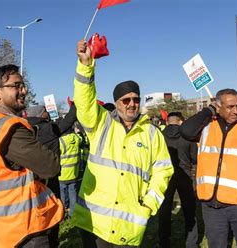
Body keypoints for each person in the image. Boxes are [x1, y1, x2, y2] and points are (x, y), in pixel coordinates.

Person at [73, 40, 174, 247]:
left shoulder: (152, 133)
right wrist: (85, 66)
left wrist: (148, 204)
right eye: (125, 100)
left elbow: (163, 171)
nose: (132, 104)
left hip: (129, 224)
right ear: (117, 103)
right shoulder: (101, 123)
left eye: (135, 99)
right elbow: (84, 101)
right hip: (94, 222)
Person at [0, 64, 63, 248]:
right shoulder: (10, 128)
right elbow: (51, 166)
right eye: (16, 86)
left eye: (23, 85)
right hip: (23, 230)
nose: (23, 91)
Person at [180, 88, 237, 248]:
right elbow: (186, 130)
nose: (236, 111)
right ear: (218, 106)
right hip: (211, 207)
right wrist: (208, 111)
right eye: (230, 107)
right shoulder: (206, 128)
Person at [26, 103, 77, 248]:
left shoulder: (24, 129)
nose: (47, 113)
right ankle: (52, 241)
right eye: (45, 111)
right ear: (41, 114)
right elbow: (69, 120)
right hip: (50, 179)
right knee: (53, 210)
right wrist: (75, 104)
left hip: (29, 181)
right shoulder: (49, 128)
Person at [158, 112, 199, 248]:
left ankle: (164, 243)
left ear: (167, 122)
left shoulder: (160, 136)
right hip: (185, 175)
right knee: (190, 210)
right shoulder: (188, 137)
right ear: (180, 121)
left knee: (164, 211)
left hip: (165, 176)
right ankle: (191, 243)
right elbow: (195, 157)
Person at [58, 124, 83, 218]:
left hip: (63, 174)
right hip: (74, 173)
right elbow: (81, 138)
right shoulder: (77, 138)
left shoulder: (61, 141)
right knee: (73, 192)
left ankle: (63, 212)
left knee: (63, 194)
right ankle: (73, 212)